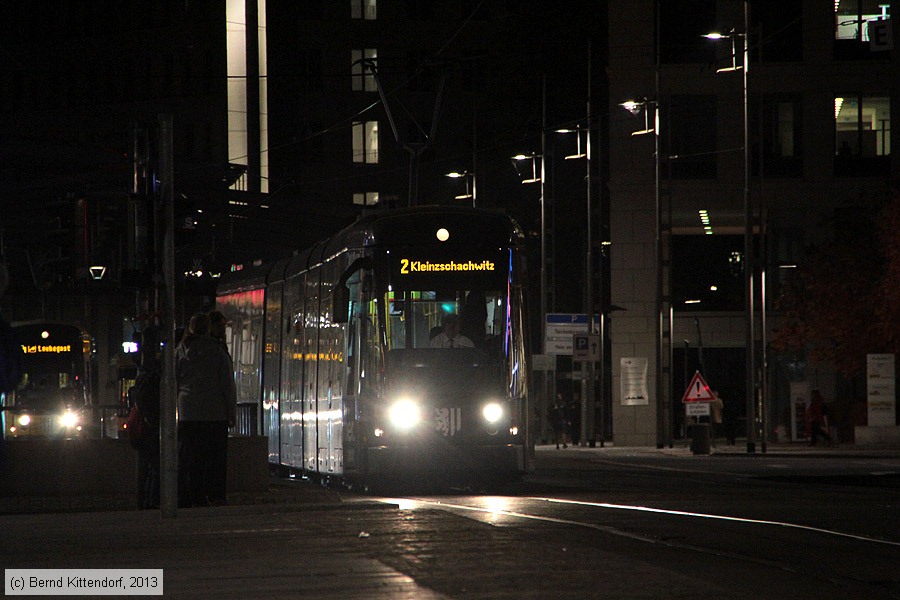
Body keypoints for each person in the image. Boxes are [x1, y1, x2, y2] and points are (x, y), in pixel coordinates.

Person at [176, 313, 237, 507]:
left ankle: (191, 495)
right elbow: (227, 385)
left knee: (190, 457)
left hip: (188, 412)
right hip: (214, 412)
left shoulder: (180, 351)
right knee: (214, 458)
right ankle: (215, 495)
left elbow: (173, 381)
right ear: (209, 328)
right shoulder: (218, 352)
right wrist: (231, 412)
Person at [132, 326, 161, 509]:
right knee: (154, 466)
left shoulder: (143, 373)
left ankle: (145, 501)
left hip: (144, 427)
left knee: (148, 466)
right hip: (150, 427)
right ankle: (150, 501)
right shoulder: (152, 375)